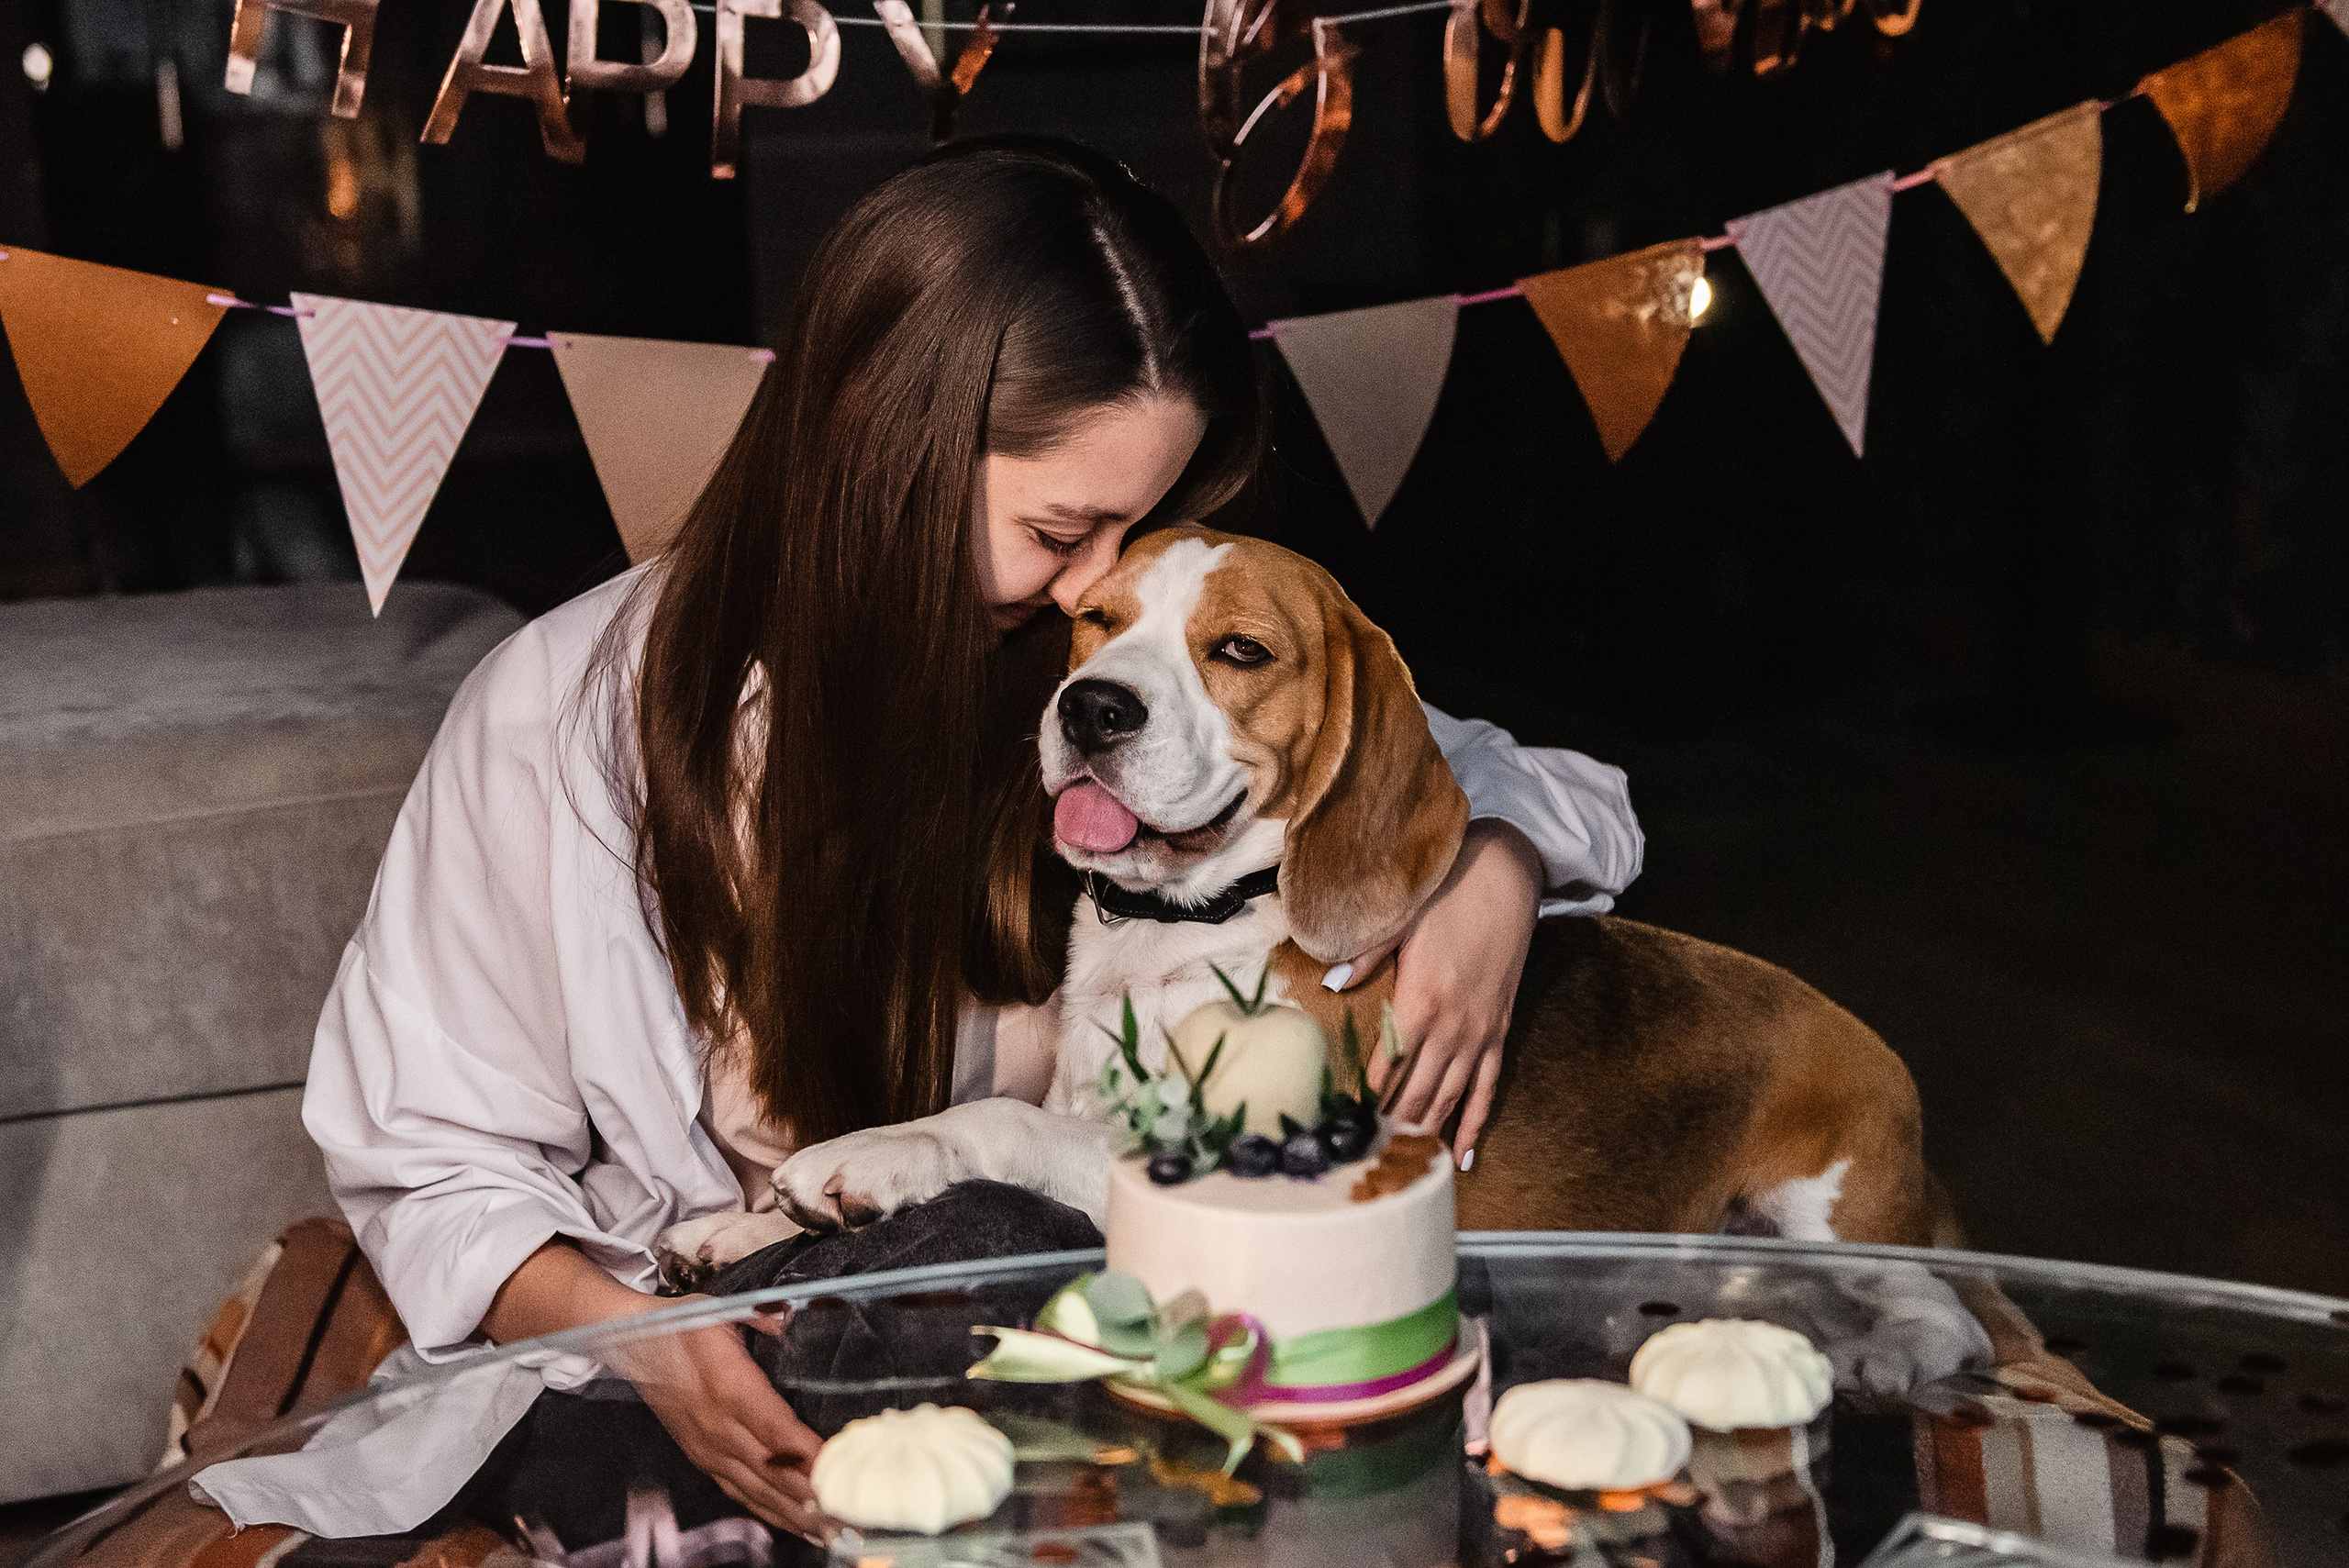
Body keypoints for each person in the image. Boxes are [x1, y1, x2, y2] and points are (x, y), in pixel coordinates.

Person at [192, 136, 1642, 1543]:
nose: (1103, 587)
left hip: (1088, 1304)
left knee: (1475, 1294)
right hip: (728, 1343)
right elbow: (429, 1157)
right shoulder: (565, 715)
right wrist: (645, 1344)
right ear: (889, 442)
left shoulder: (1108, 670)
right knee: (989, 1255)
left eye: (1135, 534)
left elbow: (1492, 775)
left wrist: (1495, 870)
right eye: (1066, 528)